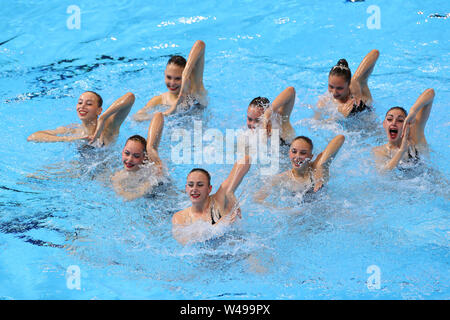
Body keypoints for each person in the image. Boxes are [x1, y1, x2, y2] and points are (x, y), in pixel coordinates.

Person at [171, 155, 251, 245]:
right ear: (186, 188)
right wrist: (219, 227)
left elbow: (246, 160)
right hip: (204, 258)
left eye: (200, 185)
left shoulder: (219, 200)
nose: (194, 189)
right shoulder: (180, 217)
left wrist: (229, 192)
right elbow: (183, 241)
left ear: (209, 189)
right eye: (190, 185)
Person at [254, 134, 345, 205]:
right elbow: (257, 199)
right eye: (294, 151)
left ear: (310, 156)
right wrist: (283, 210)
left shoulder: (317, 168)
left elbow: (340, 138)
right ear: (289, 153)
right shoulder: (282, 178)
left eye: (303, 153)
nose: (297, 157)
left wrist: (320, 167)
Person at [27, 91, 135, 147]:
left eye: (88, 104)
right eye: (80, 102)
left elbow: (130, 97)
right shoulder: (74, 130)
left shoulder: (108, 128)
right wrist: (70, 139)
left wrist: (103, 118)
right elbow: (33, 137)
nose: (82, 106)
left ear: (99, 110)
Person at [133, 40, 207, 120]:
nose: (172, 83)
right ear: (164, 74)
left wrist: (185, 74)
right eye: (169, 77)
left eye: (178, 78)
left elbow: (200, 45)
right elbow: (136, 117)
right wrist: (169, 112)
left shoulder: (195, 91)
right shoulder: (160, 100)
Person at [372, 88, 435, 172]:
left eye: (400, 120)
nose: (393, 123)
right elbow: (383, 174)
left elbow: (431, 92)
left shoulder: (415, 139)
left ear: (407, 125)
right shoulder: (380, 151)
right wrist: (401, 151)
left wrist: (413, 111)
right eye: (389, 119)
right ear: (384, 124)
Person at [111, 112, 165, 200]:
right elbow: (125, 198)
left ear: (145, 157)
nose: (129, 159)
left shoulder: (152, 167)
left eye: (136, 156)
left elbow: (158, 116)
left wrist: (150, 148)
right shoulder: (118, 177)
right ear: (122, 151)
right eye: (127, 153)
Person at [317, 49, 379, 118]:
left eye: (339, 88)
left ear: (348, 84)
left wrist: (358, 92)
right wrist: (340, 116)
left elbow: (375, 53)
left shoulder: (357, 85)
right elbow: (317, 123)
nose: (334, 92)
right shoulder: (325, 102)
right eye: (331, 86)